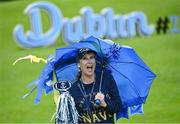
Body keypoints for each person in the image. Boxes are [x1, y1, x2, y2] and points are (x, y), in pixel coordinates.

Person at [67, 48, 122, 123]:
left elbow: (118, 106)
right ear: (78, 64)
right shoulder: (72, 90)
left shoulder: (106, 78)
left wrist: (105, 104)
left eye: (92, 57)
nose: (89, 61)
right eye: (85, 58)